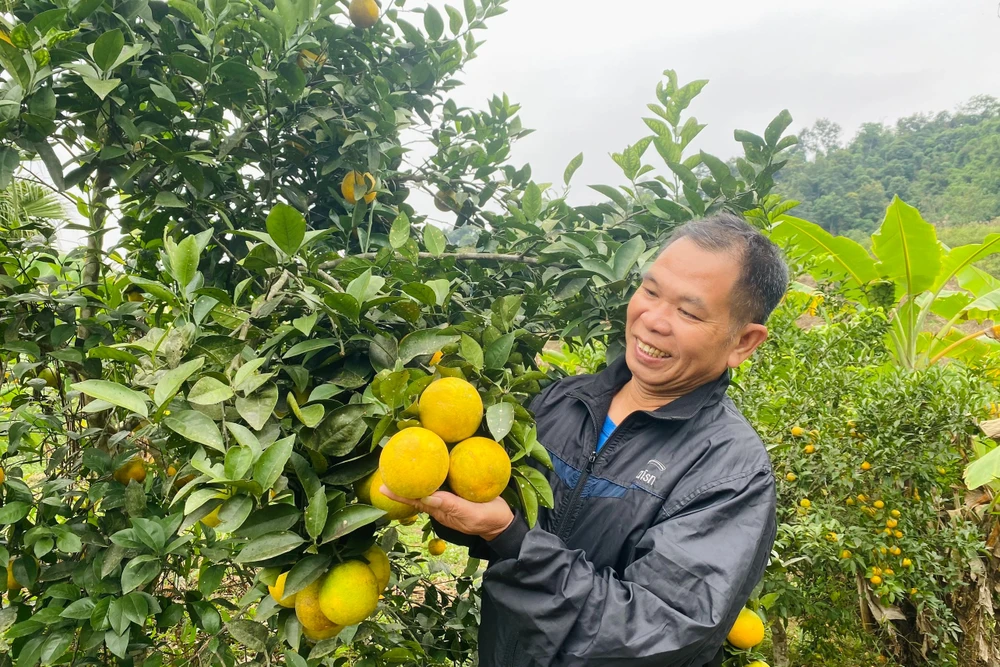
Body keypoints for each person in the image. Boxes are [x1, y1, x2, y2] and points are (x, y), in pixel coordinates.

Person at [381, 213, 789, 666]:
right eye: (650, 291)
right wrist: (454, 505)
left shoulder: (729, 472)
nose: (653, 319)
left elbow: (657, 635)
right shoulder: (562, 402)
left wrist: (513, 538)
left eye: (688, 311)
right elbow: (497, 523)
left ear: (744, 342)